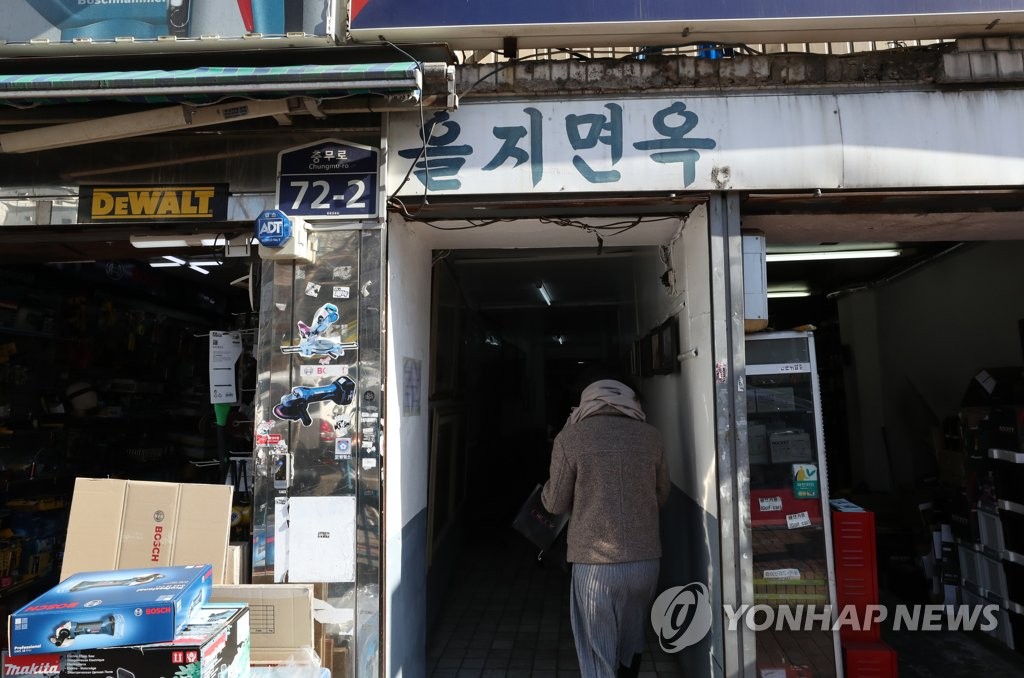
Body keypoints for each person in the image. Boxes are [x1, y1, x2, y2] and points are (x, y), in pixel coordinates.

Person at [541, 376, 670, 678]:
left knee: (598, 655)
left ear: (587, 400)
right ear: (631, 400)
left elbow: (555, 504)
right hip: (645, 562)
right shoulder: (651, 436)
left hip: (594, 565)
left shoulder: (570, 438)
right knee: (631, 644)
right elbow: (662, 494)